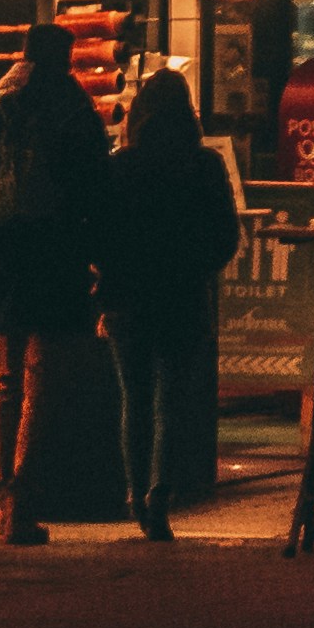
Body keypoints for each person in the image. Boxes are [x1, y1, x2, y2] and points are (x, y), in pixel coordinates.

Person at [0, 22, 116, 544]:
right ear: (66, 62)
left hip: (3, 262)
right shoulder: (79, 118)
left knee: (4, 381)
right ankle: (22, 502)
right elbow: (97, 202)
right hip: (56, 264)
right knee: (40, 381)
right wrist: (90, 257)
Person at [97, 63, 244, 543]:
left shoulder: (120, 165)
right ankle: (161, 492)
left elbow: (98, 232)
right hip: (183, 296)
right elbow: (226, 232)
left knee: (133, 399)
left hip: (127, 298)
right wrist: (197, 267)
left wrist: (110, 273)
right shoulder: (203, 164)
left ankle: (134, 492)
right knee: (170, 403)